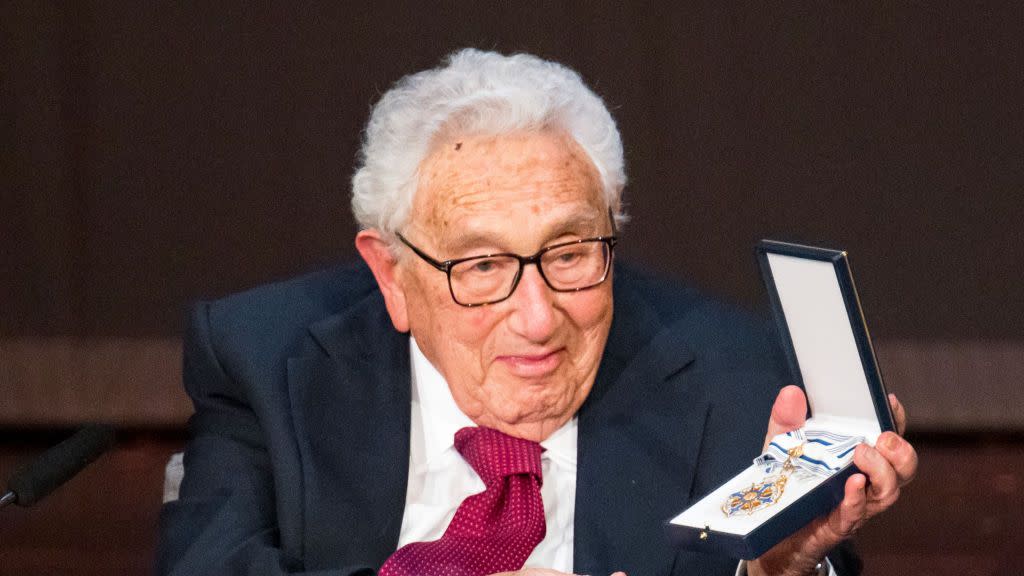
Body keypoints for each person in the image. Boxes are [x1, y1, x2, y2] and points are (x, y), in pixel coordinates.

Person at [156, 49, 917, 576]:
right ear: (391, 274)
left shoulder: (738, 378)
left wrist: (776, 566)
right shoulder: (263, 357)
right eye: (482, 266)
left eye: (570, 253)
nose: (539, 317)